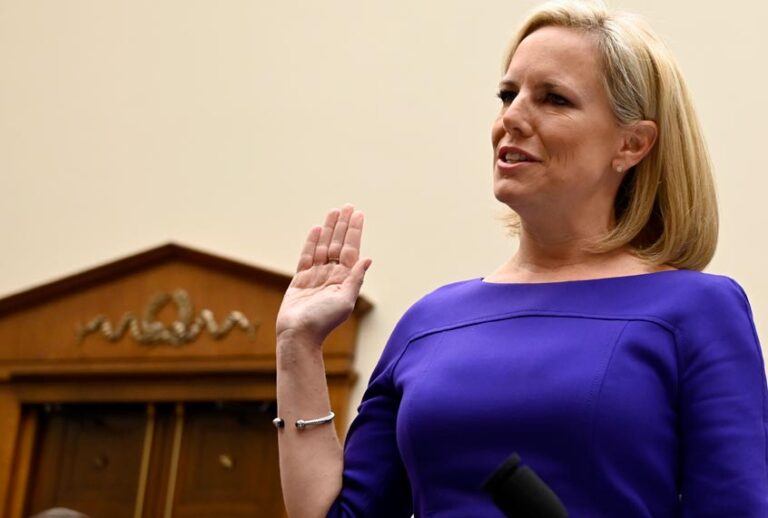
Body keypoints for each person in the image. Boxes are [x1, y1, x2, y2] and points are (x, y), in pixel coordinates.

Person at [274, 1, 768, 516]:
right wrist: (298, 346)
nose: (511, 117)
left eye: (553, 99)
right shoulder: (429, 320)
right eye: (507, 95)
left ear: (632, 144)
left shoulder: (697, 310)